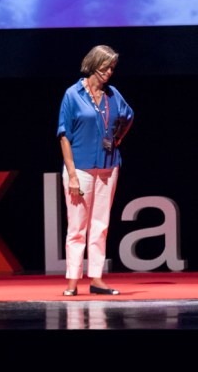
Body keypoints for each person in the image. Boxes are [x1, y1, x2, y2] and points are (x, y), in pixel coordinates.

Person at [57, 45, 134, 296]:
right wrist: (71, 175)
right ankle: (72, 281)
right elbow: (64, 135)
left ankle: (97, 278)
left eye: (112, 68)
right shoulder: (73, 94)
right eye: (105, 67)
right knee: (77, 226)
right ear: (92, 65)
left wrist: (118, 137)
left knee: (100, 225)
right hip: (80, 168)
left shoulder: (113, 95)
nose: (109, 72)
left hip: (108, 167)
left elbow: (129, 116)